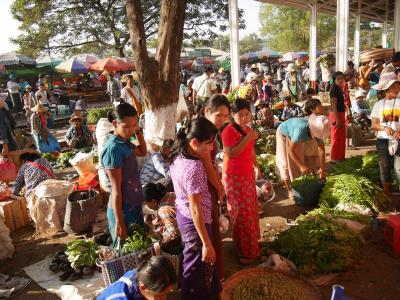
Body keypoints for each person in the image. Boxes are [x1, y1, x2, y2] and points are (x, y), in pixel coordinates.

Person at [169, 117, 221, 299]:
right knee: (196, 265)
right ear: (194, 142)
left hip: (184, 217)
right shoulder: (195, 167)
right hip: (195, 221)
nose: (211, 148)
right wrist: (206, 243)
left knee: (197, 261)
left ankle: (211, 290)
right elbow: (196, 209)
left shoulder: (178, 155)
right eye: (208, 144)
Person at [221, 99, 262, 265]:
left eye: (247, 114)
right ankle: (244, 251)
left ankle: (251, 246)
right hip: (234, 177)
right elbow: (231, 154)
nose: (244, 118)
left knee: (251, 210)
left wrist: (257, 166)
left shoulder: (249, 130)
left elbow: (250, 151)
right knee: (241, 214)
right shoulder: (228, 131)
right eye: (240, 115)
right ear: (232, 115)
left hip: (247, 175)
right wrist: (249, 137)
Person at [101, 102, 147, 242]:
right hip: (122, 210)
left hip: (133, 204)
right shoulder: (113, 149)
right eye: (126, 126)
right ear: (115, 123)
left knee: (139, 250)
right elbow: (115, 191)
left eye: (134, 125)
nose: (131, 130)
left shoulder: (124, 141)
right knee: (127, 255)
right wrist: (120, 222)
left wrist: (138, 131)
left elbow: (142, 152)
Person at [202, 94, 231, 282]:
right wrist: (220, 187)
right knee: (208, 232)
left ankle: (213, 277)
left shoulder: (209, 129)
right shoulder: (205, 133)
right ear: (207, 112)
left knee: (212, 229)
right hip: (204, 186)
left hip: (208, 184)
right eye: (218, 115)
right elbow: (206, 164)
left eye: (226, 115)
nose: (223, 119)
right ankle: (211, 279)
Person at [276, 99, 330, 199]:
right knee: (286, 162)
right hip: (284, 132)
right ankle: (289, 190)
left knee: (300, 160)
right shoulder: (301, 130)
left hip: (295, 133)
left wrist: (322, 169)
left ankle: (300, 187)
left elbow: (321, 150)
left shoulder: (319, 127)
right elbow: (290, 150)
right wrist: (301, 166)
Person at [371, 72, 400, 195]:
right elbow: (374, 124)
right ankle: (387, 195)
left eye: (398, 86)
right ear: (386, 89)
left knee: (398, 169)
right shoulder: (378, 105)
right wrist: (384, 128)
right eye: (394, 87)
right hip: (383, 140)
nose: (397, 89)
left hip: (398, 139)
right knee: (384, 167)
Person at [98, 255, 177, 300]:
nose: (164, 299)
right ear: (143, 288)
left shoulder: (143, 273)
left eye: (166, 293)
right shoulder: (121, 297)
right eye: (159, 296)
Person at [330, 71, 347, 162]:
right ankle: (334, 157)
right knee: (336, 136)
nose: (341, 80)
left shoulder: (339, 88)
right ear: (334, 80)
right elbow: (333, 105)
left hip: (340, 113)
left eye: (342, 78)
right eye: (338, 78)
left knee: (341, 136)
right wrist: (337, 119)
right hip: (336, 114)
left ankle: (340, 157)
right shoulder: (334, 89)